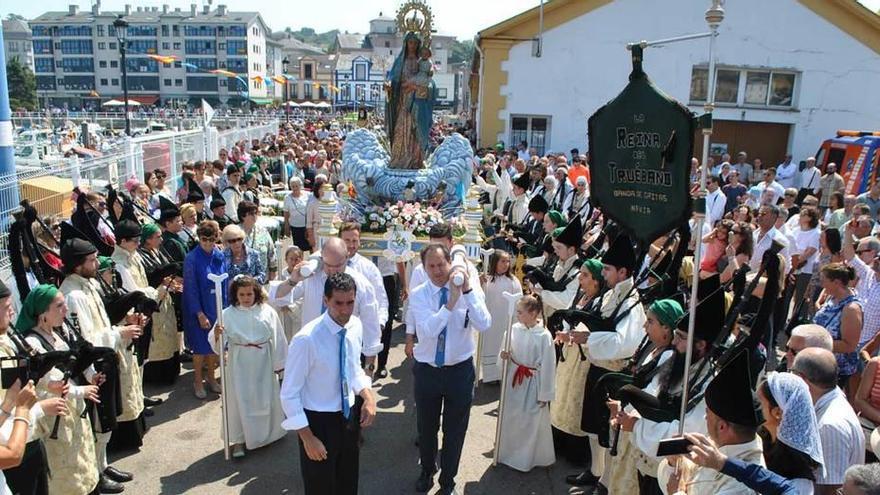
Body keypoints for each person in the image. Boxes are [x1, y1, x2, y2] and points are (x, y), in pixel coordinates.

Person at [280, 272, 377, 495]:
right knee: (320, 487)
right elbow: (289, 394)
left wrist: (369, 398)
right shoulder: (306, 339)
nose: (345, 310)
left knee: (347, 483)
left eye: (350, 303)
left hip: (348, 418)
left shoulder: (355, 326)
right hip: (317, 422)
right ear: (325, 300)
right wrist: (307, 438)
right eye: (338, 303)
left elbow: (353, 370)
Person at [58, 233, 142, 491]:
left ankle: (103, 464)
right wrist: (118, 334)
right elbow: (84, 338)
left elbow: (101, 323)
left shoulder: (88, 285)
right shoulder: (72, 295)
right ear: (77, 264)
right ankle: (96, 472)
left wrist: (122, 325)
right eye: (93, 260)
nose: (97, 264)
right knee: (97, 421)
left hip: (106, 359)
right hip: (91, 369)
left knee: (106, 420)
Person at [410, 243, 492, 494]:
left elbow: (484, 323)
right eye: (431, 266)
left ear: (450, 263)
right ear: (424, 268)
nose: (437, 270)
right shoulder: (419, 294)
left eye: (441, 264)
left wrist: (466, 290)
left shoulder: (468, 286)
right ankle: (427, 471)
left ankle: (448, 480)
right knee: (426, 427)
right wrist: (449, 305)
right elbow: (427, 330)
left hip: (459, 371)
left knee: (455, 430)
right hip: (428, 370)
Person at [17, 284, 101, 495]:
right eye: (59, 306)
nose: (65, 310)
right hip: (55, 420)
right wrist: (81, 391)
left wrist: (91, 376)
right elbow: (51, 383)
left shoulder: (57, 334)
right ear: (43, 313)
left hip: (71, 413)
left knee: (83, 464)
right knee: (67, 475)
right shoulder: (32, 343)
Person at [271, 237, 382, 374]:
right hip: (310, 355)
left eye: (338, 266)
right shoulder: (310, 278)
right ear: (321, 258)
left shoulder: (361, 285)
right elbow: (278, 299)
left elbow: (371, 329)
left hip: (344, 359)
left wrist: (368, 370)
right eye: (328, 265)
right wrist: (293, 280)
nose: (332, 271)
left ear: (347, 258)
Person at [658, 351, 764, 495]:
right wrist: (674, 462)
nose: (704, 418)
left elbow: (678, 488)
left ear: (722, 427)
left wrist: (676, 492)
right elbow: (684, 477)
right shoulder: (721, 444)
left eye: (707, 413)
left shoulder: (743, 482)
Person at [209, 275, 287, 458]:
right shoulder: (227, 314)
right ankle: (239, 440)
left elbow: (279, 338)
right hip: (239, 362)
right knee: (239, 401)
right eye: (242, 294)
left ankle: (268, 435)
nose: (245, 298)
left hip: (264, 361)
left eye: (249, 294)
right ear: (235, 295)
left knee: (264, 398)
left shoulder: (267, 311)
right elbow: (216, 344)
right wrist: (217, 334)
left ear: (256, 293)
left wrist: (279, 364)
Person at [550, 259, 605, 464]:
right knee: (561, 396)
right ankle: (558, 443)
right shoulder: (579, 296)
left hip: (582, 358)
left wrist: (571, 335)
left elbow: (591, 330)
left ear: (596, 281)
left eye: (585, 275)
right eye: (580, 274)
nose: (580, 279)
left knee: (574, 400)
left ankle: (576, 453)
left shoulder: (599, 303)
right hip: (568, 353)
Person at [791, 348, 864, 494]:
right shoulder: (830, 400)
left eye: (791, 374)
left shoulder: (828, 426)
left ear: (802, 380)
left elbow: (831, 488)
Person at [496, 295, 556, 471]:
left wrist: (545, 393)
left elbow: (548, 366)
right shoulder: (513, 329)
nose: (517, 315)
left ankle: (526, 458)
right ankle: (508, 453)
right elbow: (505, 351)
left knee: (529, 421)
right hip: (515, 379)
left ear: (534, 313)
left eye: (520, 312)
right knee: (513, 416)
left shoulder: (544, 336)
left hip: (533, 382)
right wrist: (504, 356)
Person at [756, 372, 825, 493]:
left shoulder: (799, 482)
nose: (754, 406)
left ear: (777, 412)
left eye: (759, 403)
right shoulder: (762, 439)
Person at [182, 220, 227, 399]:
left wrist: (225, 309)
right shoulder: (191, 258)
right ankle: (198, 380)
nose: (207, 243)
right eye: (203, 239)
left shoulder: (219, 255)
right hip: (199, 307)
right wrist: (199, 313)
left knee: (213, 347)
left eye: (211, 239)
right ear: (199, 238)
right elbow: (190, 289)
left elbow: (224, 283)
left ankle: (211, 378)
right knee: (200, 348)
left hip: (216, 305)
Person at [338, 224, 390, 376]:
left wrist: (378, 324)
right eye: (347, 240)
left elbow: (381, 300)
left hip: (360, 336)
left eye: (355, 240)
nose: (351, 245)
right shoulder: (329, 265)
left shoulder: (369, 268)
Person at [813, 262, 863, 392]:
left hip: (834, 370)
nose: (822, 284)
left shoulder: (851, 309)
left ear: (836, 282)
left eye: (824, 281)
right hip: (820, 361)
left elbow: (849, 345)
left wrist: (815, 343)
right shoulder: (832, 296)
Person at [480, 250, 522, 383]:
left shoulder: (513, 281)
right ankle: (490, 376)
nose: (506, 264)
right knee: (490, 345)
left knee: (505, 345)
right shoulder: (487, 279)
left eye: (508, 261)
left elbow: (519, 300)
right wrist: (479, 282)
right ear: (494, 262)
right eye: (502, 261)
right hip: (491, 321)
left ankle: (503, 374)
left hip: (506, 319)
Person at [239, 201, 277, 281]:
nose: (254, 216)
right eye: (251, 214)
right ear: (243, 216)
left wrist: (273, 272)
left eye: (256, 213)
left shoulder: (263, 231)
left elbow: (271, 252)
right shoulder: (235, 232)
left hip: (262, 278)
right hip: (242, 281)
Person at [274, 246, 304, 341]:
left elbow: (304, 295)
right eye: (291, 259)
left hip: (298, 312)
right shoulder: (281, 275)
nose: (294, 262)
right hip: (283, 312)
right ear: (286, 260)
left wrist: (291, 306)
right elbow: (275, 293)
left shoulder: (305, 275)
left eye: (297, 259)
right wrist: (282, 304)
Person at [283, 177, 310, 252]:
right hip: (295, 227)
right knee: (298, 249)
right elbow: (286, 213)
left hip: (307, 226)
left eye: (296, 186)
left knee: (310, 246)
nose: (295, 188)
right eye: (292, 186)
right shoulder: (287, 198)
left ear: (300, 185)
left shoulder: (307, 195)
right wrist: (286, 227)